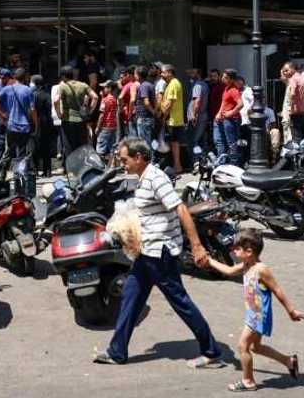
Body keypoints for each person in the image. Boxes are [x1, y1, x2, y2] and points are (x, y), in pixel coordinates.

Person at [93, 137, 222, 368]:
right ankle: (117, 351)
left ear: (139, 158)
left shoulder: (155, 178)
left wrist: (197, 245)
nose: (123, 164)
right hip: (147, 252)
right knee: (131, 297)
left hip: (160, 253)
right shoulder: (143, 179)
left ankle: (211, 351)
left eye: (125, 160)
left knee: (180, 302)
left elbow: (181, 209)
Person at [205, 228, 304, 392]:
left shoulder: (261, 269)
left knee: (243, 346)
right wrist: (209, 261)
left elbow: (277, 290)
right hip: (253, 314)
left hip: (259, 316)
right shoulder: (246, 265)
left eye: (237, 248)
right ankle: (288, 361)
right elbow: (229, 271)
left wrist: (291, 311)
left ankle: (248, 381)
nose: (234, 251)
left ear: (249, 251)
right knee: (255, 348)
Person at [0, 67, 35, 161]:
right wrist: (35, 123)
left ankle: (2, 173)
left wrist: (1, 114)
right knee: (22, 151)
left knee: (8, 151)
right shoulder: (28, 90)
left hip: (11, 124)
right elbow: (32, 109)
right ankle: (18, 173)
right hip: (24, 126)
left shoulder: (8, 89)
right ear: (26, 77)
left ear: (15, 77)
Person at [56, 65, 97, 156]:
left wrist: (59, 113)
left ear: (63, 76)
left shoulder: (62, 86)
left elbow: (56, 100)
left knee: (68, 145)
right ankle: (81, 168)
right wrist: (89, 111)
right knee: (81, 145)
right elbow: (95, 97)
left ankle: (70, 168)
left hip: (67, 119)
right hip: (81, 119)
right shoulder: (83, 85)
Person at [213, 69, 243, 165]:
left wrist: (231, 113)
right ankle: (222, 163)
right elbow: (224, 102)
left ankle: (234, 165)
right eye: (223, 76)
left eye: (225, 77)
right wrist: (219, 113)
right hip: (223, 119)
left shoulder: (234, 90)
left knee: (232, 144)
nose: (222, 79)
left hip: (231, 120)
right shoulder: (226, 88)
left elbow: (241, 104)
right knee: (220, 141)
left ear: (231, 79)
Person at [160, 64, 185, 175]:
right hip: (173, 120)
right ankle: (176, 165)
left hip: (173, 120)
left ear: (169, 72)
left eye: (163, 72)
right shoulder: (171, 84)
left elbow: (169, 103)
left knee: (174, 144)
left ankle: (177, 166)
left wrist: (163, 116)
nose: (161, 74)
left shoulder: (174, 84)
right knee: (173, 143)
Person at [281, 62, 304, 142]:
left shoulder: (293, 79)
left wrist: (291, 109)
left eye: (286, 70)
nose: (284, 72)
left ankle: (298, 154)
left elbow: (292, 94)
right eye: (284, 71)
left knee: (296, 138)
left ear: (293, 69)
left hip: (296, 112)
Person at [31, 75, 54, 176]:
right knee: (46, 147)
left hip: (35, 123)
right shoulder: (46, 95)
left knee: (34, 147)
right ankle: (47, 171)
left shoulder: (32, 94)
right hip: (46, 122)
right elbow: (50, 109)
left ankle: (35, 170)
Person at [132, 65, 157, 149]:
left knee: (144, 143)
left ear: (138, 75)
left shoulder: (143, 86)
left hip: (144, 118)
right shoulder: (150, 84)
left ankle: (148, 161)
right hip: (148, 118)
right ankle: (151, 160)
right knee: (149, 141)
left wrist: (153, 112)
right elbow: (155, 101)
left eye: (135, 74)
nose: (134, 75)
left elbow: (146, 102)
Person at [186, 68, 210, 153]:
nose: (190, 74)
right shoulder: (203, 84)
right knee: (200, 140)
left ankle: (195, 162)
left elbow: (197, 101)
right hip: (201, 117)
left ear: (198, 74)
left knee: (193, 141)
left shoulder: (197, 85)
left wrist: (194, 116)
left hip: (197, 118)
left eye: (193, 73)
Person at [96, 81, 119, 164]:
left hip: (105, 126)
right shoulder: (114, 99)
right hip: (113, 125)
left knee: (100, 146)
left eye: (105, 87)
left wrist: (98, 127)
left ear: (109, 89)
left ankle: (100, 166)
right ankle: (112, 165)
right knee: (111, 146)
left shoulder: (105, 100)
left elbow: (102, 115)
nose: (103, 89)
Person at [118, 67, 138, 139]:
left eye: (123, 76)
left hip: (130, 113)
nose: (121, 79)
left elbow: (120, 97)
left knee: (131, 135)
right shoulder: (136, 84)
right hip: (136, 113)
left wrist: (121, 108)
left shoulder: (129, 85)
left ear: (128, 76)